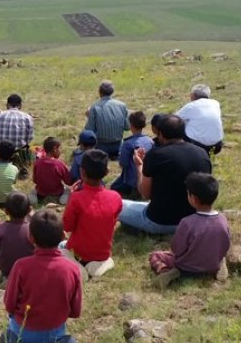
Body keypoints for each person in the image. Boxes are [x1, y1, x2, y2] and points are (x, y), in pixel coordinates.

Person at [0, 209, 82, 343]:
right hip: (54, 334)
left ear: (30, 238)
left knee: (5, 337)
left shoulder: (21, 266)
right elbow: (75, 311)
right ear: (63, 236)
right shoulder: (73, 269)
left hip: (23, 333)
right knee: (70, 341)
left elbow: (9, 305)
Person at [118, 115, 212, 235]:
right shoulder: (202, 153)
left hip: (160, 221)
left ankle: (139, 230)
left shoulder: (156, 155)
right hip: (192, 220)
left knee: (116, 205)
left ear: (160, 134)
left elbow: (145, 193)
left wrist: (139, 165)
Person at [149, 173, 231, 288]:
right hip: (212, 264)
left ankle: (166, 271)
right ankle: (220, 264)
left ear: (194, 199)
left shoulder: (187, 222)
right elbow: (225, 244)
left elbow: (176, 249)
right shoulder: (222, 219)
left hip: (186, 268)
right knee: (220, 256)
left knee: (155, 255)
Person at [63, 149, 123, 279]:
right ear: (106, 172)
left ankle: (78, 269)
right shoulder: (116, 197)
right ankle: (99, 266)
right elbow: (112, 223)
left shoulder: (76, 198)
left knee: (60, 248)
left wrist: (71, 197)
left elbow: (67, 227)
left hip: (77, 252)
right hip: (102, 254)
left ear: (81, 172)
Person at [111, 112, 155, 199]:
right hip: (147, 178)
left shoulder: (127, 144)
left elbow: (123, 163)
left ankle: (132, 194)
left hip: (131, 182)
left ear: (131, 125)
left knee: (113, 187)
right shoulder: (150, 141)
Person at [0, 191, 34, 278]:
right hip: (28, 271)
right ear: (29, 210)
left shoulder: (1, 228)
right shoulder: (33, 229)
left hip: (7, 271)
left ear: (6, 211)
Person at [84, 80, 129, 159]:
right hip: (118, 146)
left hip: (101, 146)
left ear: (100, 92)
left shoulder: (94, 107)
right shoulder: (122, 105)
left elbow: (89, 130)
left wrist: (89, 116)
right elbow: (127, 127)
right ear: (112, 91)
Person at [0, 94, 34, 179]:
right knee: (29, 150)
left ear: (7, 105)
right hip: (20, 150)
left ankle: (3, 163)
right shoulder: (27, 117)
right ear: (20, 105)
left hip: (3, 150)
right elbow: (29, 138)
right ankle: (22, 165)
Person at [176, 84, 224, 154]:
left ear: (193, 95)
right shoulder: (215, 103)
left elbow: (174, 118)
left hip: (197, 146)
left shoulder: (191, 106)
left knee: (177, 125)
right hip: (217, 145)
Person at [31, 137, 71, 205]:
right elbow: (69, 182)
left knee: (33, 191)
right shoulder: (59, 164)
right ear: (55, 149)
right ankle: (62, 201)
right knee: (68, 190)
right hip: (57, 193)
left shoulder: (37, 163)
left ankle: (34, 200)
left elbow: (35, 181)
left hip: (41, 194)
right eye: (60, 149)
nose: (60, 151)